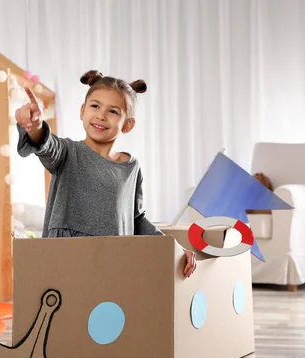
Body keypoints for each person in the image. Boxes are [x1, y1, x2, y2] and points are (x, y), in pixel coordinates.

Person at [15, 70, 197, 278]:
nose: (101, 115)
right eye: (95, 106)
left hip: (113, 262)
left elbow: (137, 219)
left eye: (113, 111)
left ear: (127, 124)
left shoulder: (131, 167)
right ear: (82, 111)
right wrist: (36, 126)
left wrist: (175, 248)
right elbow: (47, 145)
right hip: (67, 260)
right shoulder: (67, 152)